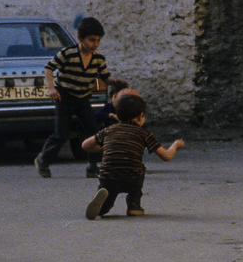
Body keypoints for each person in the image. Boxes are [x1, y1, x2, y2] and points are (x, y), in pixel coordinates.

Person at [82, 92, 185, 218]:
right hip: (131, 179)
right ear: (140, 116)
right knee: (140, 168)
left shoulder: (108, 130)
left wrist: (108, 146)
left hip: (108, 178)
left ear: (118, 115)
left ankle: (102, 206)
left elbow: (85, 145)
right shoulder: (144, 134)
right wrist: (175, 146)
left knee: (108, 192)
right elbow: (166, 156)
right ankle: (134, 205)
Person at [36, 16, 111, 179]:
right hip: (64, 98)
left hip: (83, 98)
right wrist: (51, 88)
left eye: (98, 41)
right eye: (91, 40)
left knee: (93, 131)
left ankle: (92, 166)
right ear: (80, 38)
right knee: (60, 134)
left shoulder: (98, 58)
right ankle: (43, 160)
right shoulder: (68, 53)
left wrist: (117, 85)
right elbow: (49, 68)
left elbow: (105, 77)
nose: (95, 44)